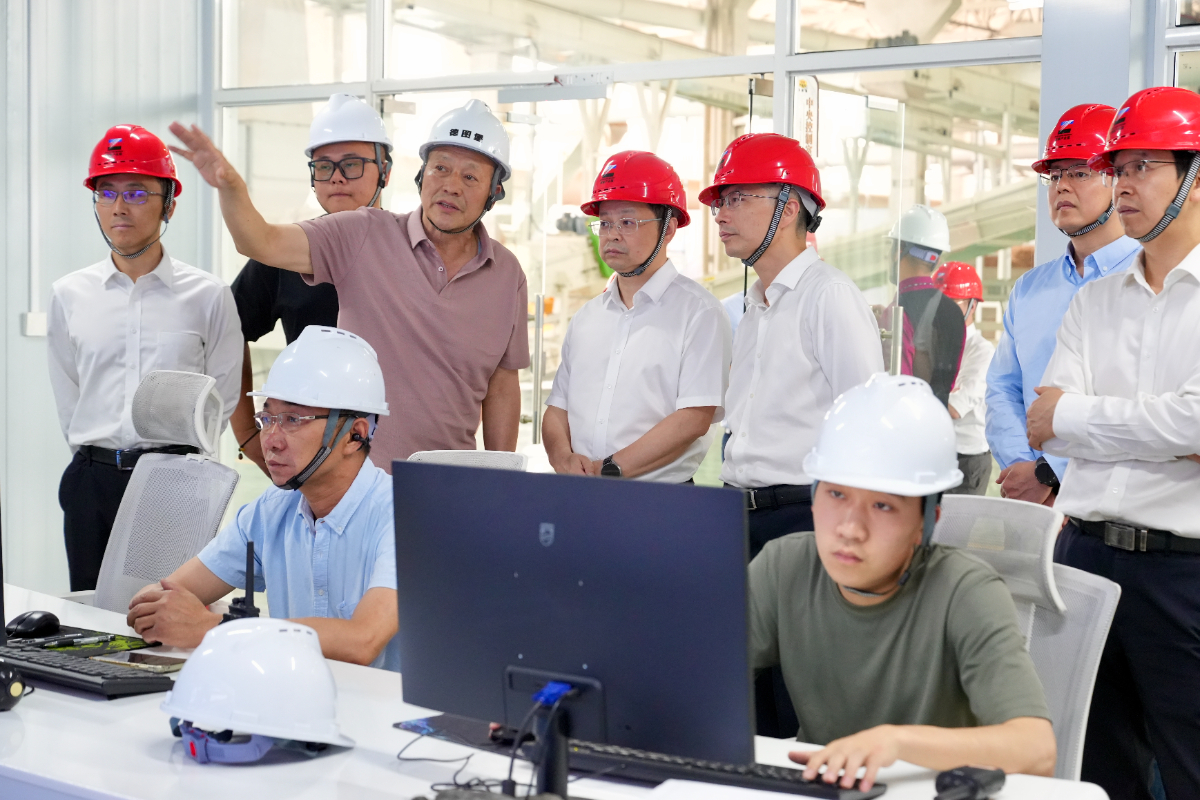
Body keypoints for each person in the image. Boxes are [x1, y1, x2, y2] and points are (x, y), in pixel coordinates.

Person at [168, 100, 529, 471]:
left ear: (494, 191)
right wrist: (231, 188)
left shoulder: (507, 274)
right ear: (421, 175)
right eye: (440, 168)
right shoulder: (363, 232)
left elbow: (502, 382)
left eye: (470, 177)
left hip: (449, 478)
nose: (451, 186)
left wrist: (500, 477)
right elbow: (261, 242)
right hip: (352, 482)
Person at [750, 373, 1056, 792]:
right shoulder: (784, 566)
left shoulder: (966, 592)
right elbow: (692, 681)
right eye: (836, 495)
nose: (850, 528)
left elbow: (1037, 749)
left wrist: (896, 743)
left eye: (882, 505)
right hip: (822, 787)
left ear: (927, 522)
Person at [1029, 86, 1200, 800]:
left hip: (1183, 575)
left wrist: (1081, 418)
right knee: (1087, 771)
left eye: (1142, 167)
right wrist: (1158, 427)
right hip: (1084, 557)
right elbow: (1043, 421)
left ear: (1194, 177)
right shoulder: (1092, 301)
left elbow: (1196, 425)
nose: (1123, 184)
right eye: (1118, 168)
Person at [127, 326, 401, 671]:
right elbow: (160, 597)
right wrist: (160, 608)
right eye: (267, 418)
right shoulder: (269, 512)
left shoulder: (405, 517)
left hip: (379, 704)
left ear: (354, 435)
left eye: (293, 420)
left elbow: (362, 641)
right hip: (290, 696)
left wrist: (212, 627)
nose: (271, 440)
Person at [48, 124, 242, 591]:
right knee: (89, 612)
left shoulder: (208, 295)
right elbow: (68, 392)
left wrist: (179, 460)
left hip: (175, 483)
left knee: (167, 613)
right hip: (92, 481)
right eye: (106, 192)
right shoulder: (69, 294)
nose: (119, 206)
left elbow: (222, 396)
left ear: (169, 204)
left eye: (136, 192)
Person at [702, 133, 883, 558]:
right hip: (738, 513)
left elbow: (867, 421)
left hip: (802, 517)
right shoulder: (756, 305)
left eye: (737, 199)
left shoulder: (829, 296)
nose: (721, 215)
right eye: (720, 203)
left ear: (787, 209)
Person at [543, 151, 731, 482]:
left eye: (628, 222)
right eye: (605, 223)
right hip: (580, 491)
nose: (612, 234)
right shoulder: (587, 317)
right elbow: (558, 408)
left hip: (659, 499)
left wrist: (609, 469)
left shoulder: (699, 313)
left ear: (668, 229)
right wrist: (564, 460)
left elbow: (693, 418)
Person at [986, 104, 1138, 505]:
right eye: (1054, 176)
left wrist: (1050, 474)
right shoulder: (1030, 288)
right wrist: (1023, 469)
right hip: (1028, 499)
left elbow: (1136, 409)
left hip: (1114, 503)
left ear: (1118, 180)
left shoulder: (1148, 279)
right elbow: (1003, 387)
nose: (1062, 187)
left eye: (1079, 173)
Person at [230, 94, 388, 472]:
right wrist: (248, 436)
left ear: (385, 170)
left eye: (352, 164)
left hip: (394, 452)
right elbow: (227, 331)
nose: (336, 177)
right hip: (308, 457)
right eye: (323, 166)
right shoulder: (283, 254)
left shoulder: (409, 250)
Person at [880, 204, 965, 407]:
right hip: (938, 420)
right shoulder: (953, 311)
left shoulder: (897, 313)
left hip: (905, 421)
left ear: (898, 251)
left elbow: (895, 388)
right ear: (936, 259)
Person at [935, 262, 994, 496]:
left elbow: (954, 408)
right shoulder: (933, 344)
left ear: (973, 305)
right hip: (935, 452)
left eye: (951, 304)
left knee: (958, 522)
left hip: (967, 461)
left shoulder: (982, 351)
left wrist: (922, 392)